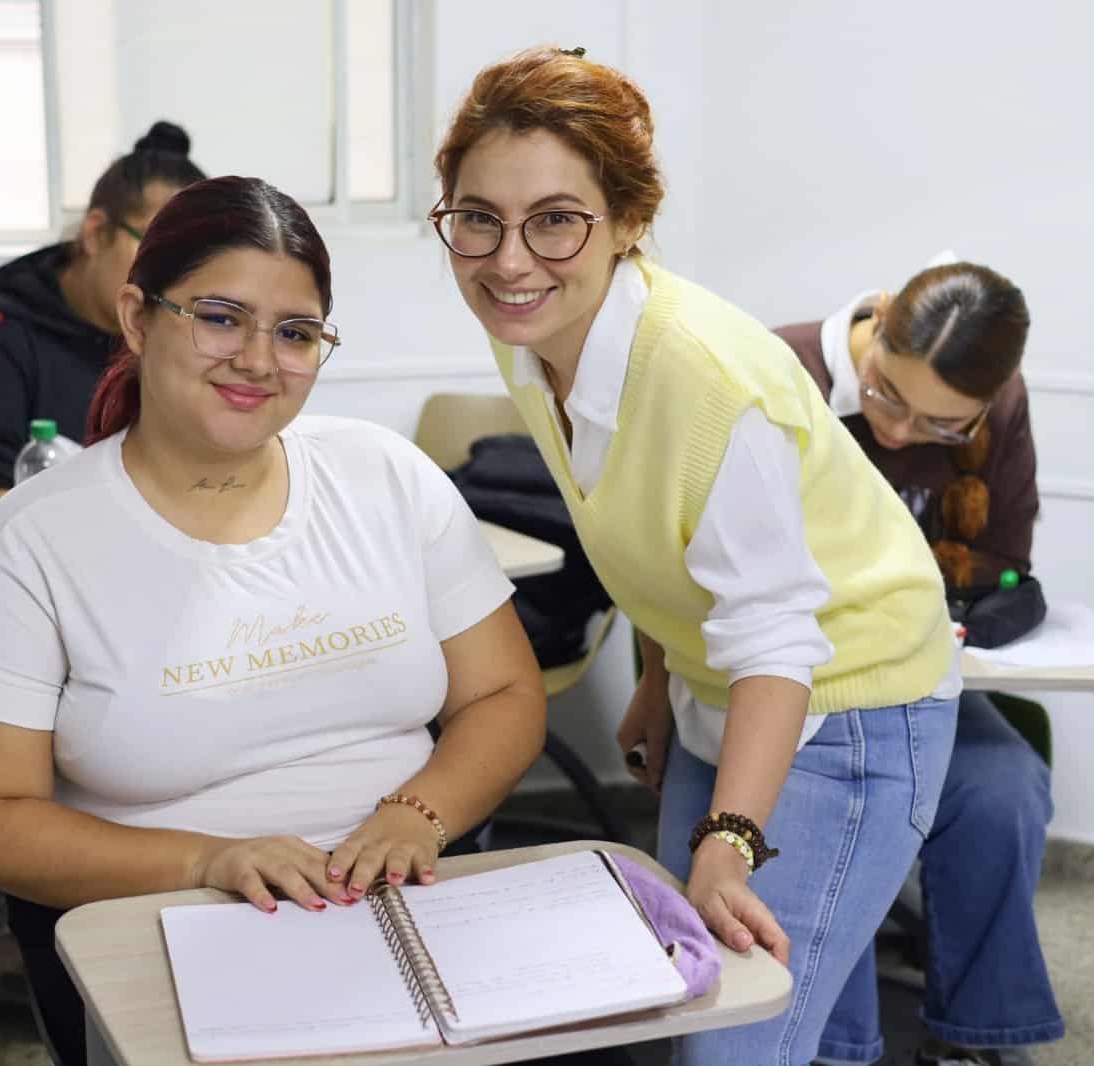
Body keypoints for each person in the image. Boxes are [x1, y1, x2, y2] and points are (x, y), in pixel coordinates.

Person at [0, 175, 548, 1066]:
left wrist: (419, 815)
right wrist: (207, 861)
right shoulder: (33, 537)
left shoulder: (386, 476)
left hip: (410, 895)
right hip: (164, 917)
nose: (259, 359)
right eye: (220, 318)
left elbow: (505, 693)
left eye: (296, 333)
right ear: (137, 319)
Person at [430, 47, 960, 1065]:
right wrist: (659, 677)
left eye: (555, 220)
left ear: (629, 221)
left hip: (847, 701)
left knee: (734, 1045)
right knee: (707, 1015)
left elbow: (777, 637)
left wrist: (731, 840)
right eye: (478, 218)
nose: (509, 259)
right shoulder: (531, 328)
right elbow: (667, 533)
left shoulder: (705, 376)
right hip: (722, 686)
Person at [775, 261, 1061, 1066]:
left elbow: (1002, 554)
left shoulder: (1000, 406)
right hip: (798, 694)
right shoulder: (778, 370)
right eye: (887, 395)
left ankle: (974, 1038)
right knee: (832, 803)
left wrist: (989, 600)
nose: (899, 433)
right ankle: (834, 1048)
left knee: (1003, 791)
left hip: (918, 686)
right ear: (877, 326)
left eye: (941, 425)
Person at [0, 120, 206, 542]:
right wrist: (86, 545)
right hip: (49, 562)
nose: (169, 277)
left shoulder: (188, 333)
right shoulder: (0, 331)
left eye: (189, 260)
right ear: (95, 232)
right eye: (154, 248)